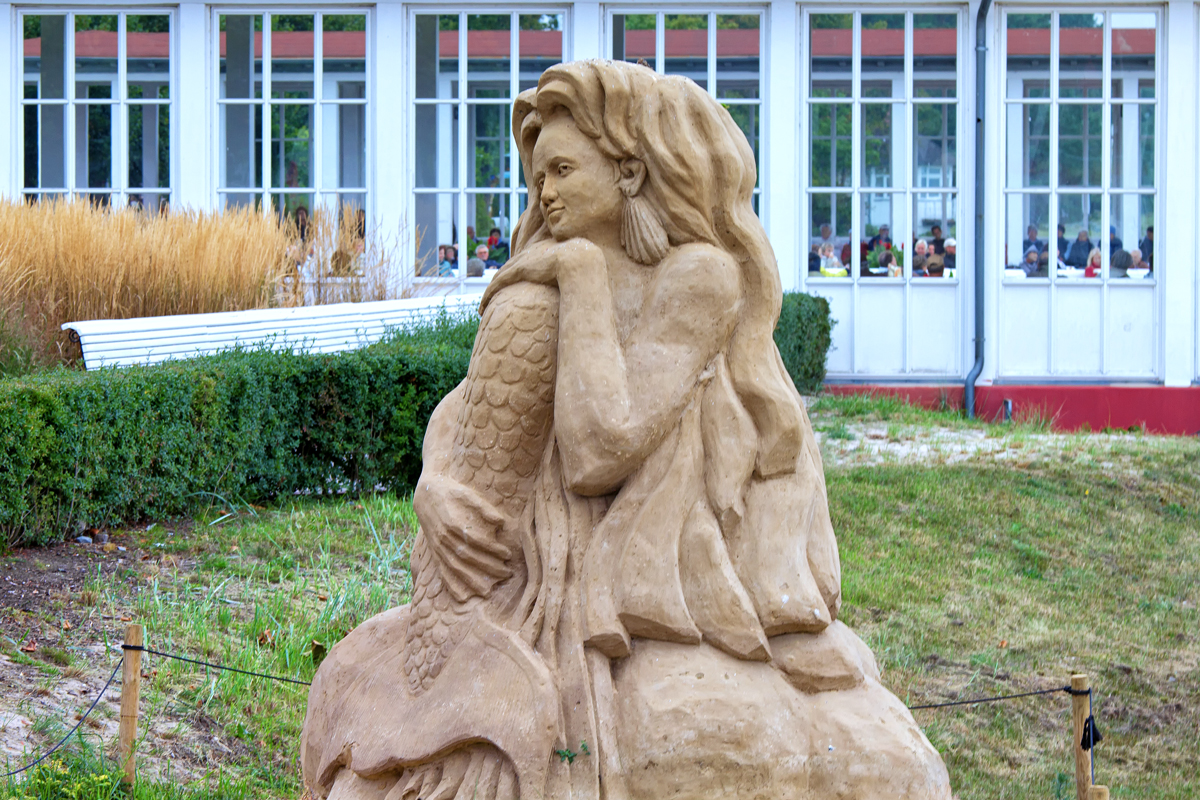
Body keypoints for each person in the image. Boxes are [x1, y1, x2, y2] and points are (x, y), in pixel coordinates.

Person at [302, 61, 949, 799]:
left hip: (619, 564)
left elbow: (597, 450)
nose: (544, 193)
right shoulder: (547, 271)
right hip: (518, 561)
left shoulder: (697, 275)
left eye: (564, 170)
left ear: (632, 172)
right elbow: (463, 406)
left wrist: (578, 276)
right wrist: (433, 487)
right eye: (538, 175)